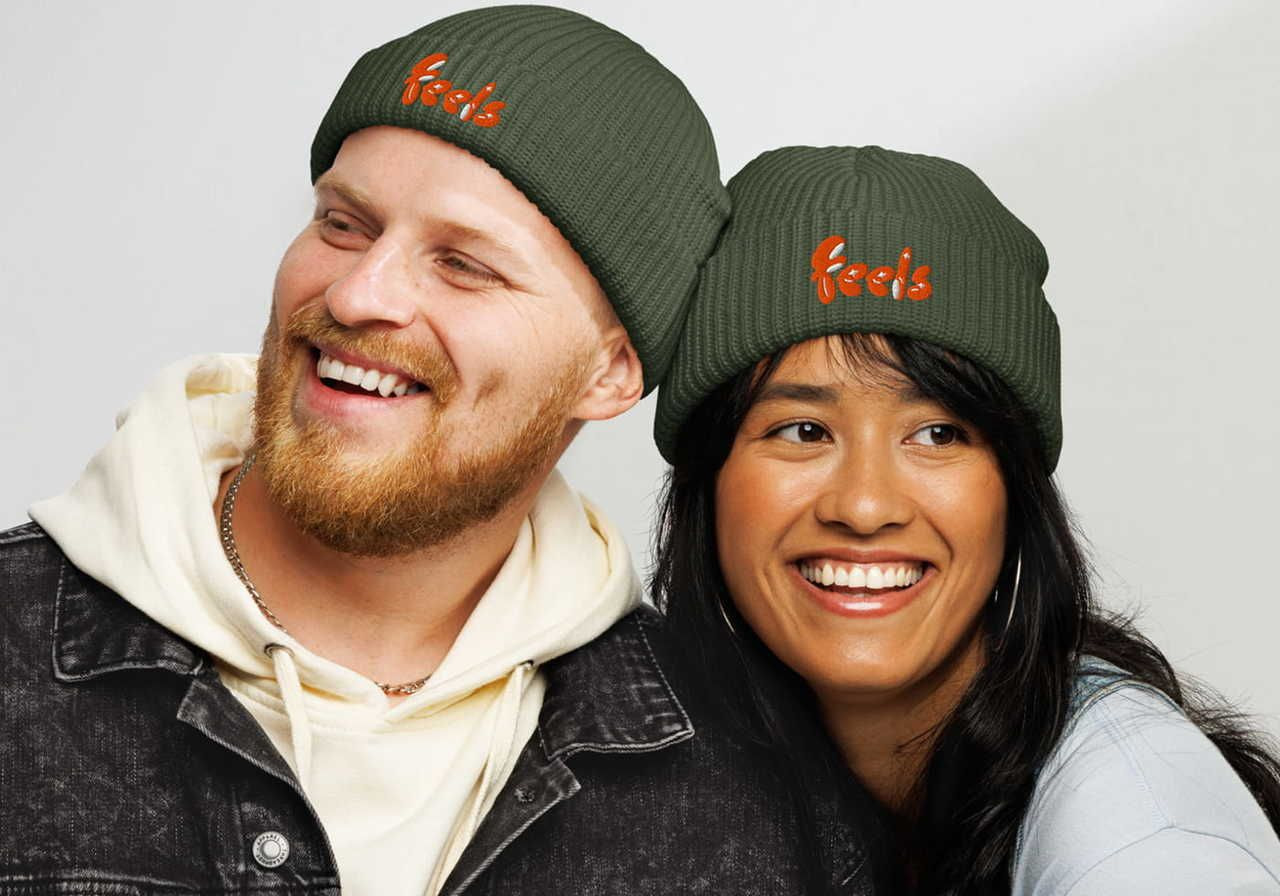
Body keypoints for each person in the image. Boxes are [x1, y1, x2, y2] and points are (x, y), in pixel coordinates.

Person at [0, 12, 886, 896]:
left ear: (611, 372)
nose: (357, 294)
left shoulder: (757, 804)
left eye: (465, 265)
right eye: (344, 224)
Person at [651, 144, 1280, 894]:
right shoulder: (663, 772)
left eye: (939, 434)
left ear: (1014, 487)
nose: (864, 506)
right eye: (802, 431)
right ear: (708, 478)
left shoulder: (1139, 824)